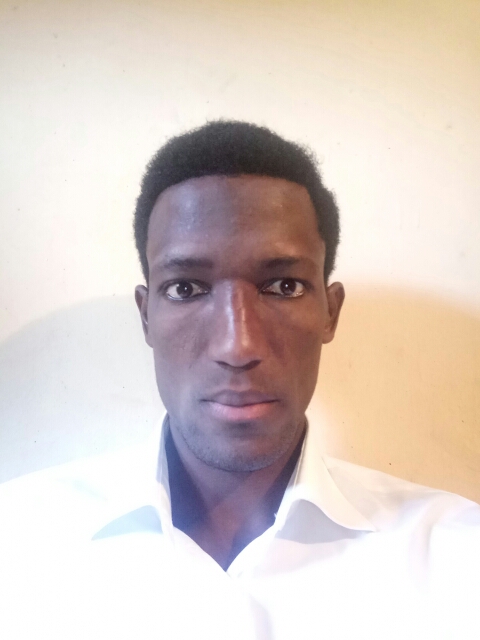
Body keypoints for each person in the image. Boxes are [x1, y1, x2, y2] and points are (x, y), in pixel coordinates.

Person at [1, 121, 479, 639]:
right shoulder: (19, 543)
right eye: (186, 288)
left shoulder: (458, 557)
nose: (238, 346)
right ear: (146, 316)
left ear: (330, 312)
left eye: (284, 286)